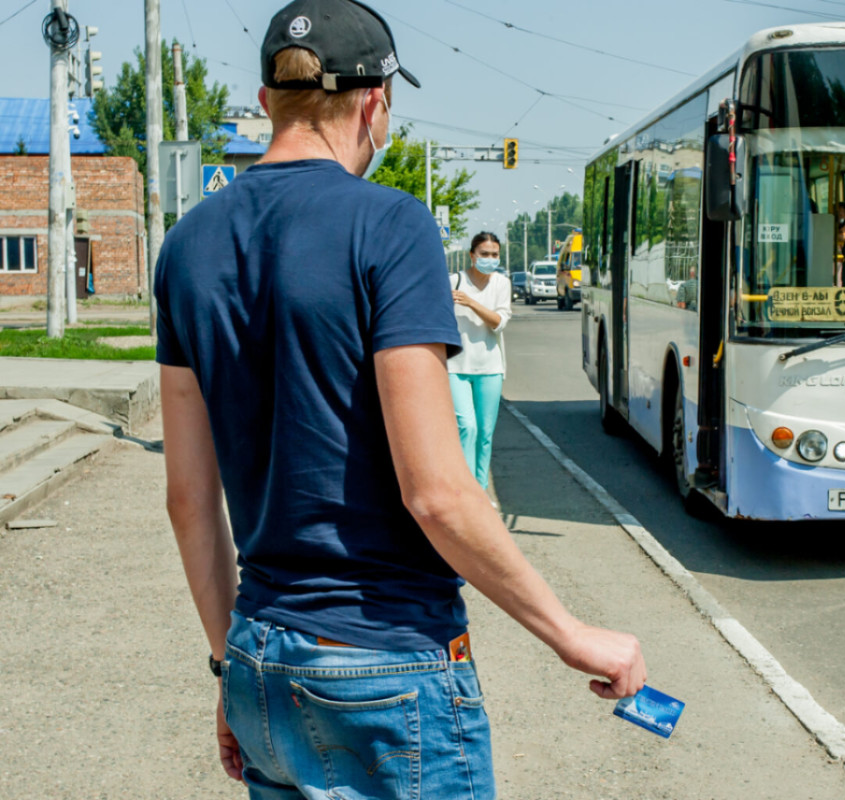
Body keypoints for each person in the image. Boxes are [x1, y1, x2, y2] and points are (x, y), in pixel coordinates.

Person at [154, 1, 645, 797]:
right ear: (376, 103)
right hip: (385, 661)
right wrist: (572, 634)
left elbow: (187, 499)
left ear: (266, 99)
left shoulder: (186, 246)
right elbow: (437, 493)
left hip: (259, 656)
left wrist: (231, 665)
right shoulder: (390, 226)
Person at [449, 232, 512, 495]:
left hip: (490, 368)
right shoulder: (453, 281)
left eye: (494, 254)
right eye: (484, 254)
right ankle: (466, 493)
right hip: (455, 367)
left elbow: (499, 322)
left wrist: (472, 303)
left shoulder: (501, 283)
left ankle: (480, 490)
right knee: (467, 427)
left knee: (485, 434)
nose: (489, 259)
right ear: (472, 255)